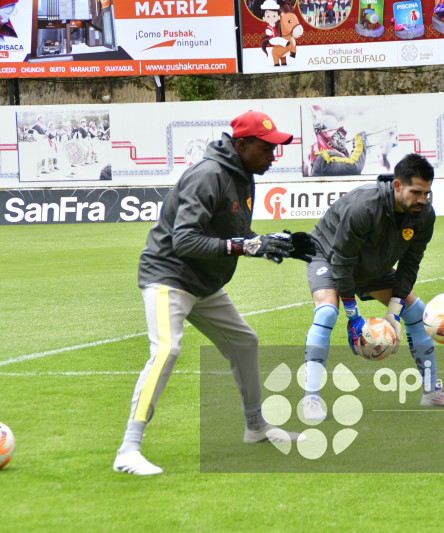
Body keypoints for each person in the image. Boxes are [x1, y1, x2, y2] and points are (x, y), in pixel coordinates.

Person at [113, 110, 316, 476]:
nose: (274, 155)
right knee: (166, 350)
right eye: (267, 148)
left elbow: (230, 231)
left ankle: (256, 427)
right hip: (168, 276)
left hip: (204, 283)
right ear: (241, 145)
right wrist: (245, 246)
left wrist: (271, 243)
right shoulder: (208, 175)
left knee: (244, 342)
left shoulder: (243, 176)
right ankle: (128, 449)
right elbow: (185, 239)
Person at [301, 153, 444, 422]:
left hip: (370, 263)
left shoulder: (424, 216)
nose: (422, 200)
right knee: (327, 313)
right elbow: (342, 262)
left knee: (416, 312)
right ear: (398, 186)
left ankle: (432, 391)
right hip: (327, 254)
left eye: (427, 193)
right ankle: (311, 398)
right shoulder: (363, 207)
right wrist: (353, 317)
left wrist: (394, 309)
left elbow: (410, 264)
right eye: (416, 192)